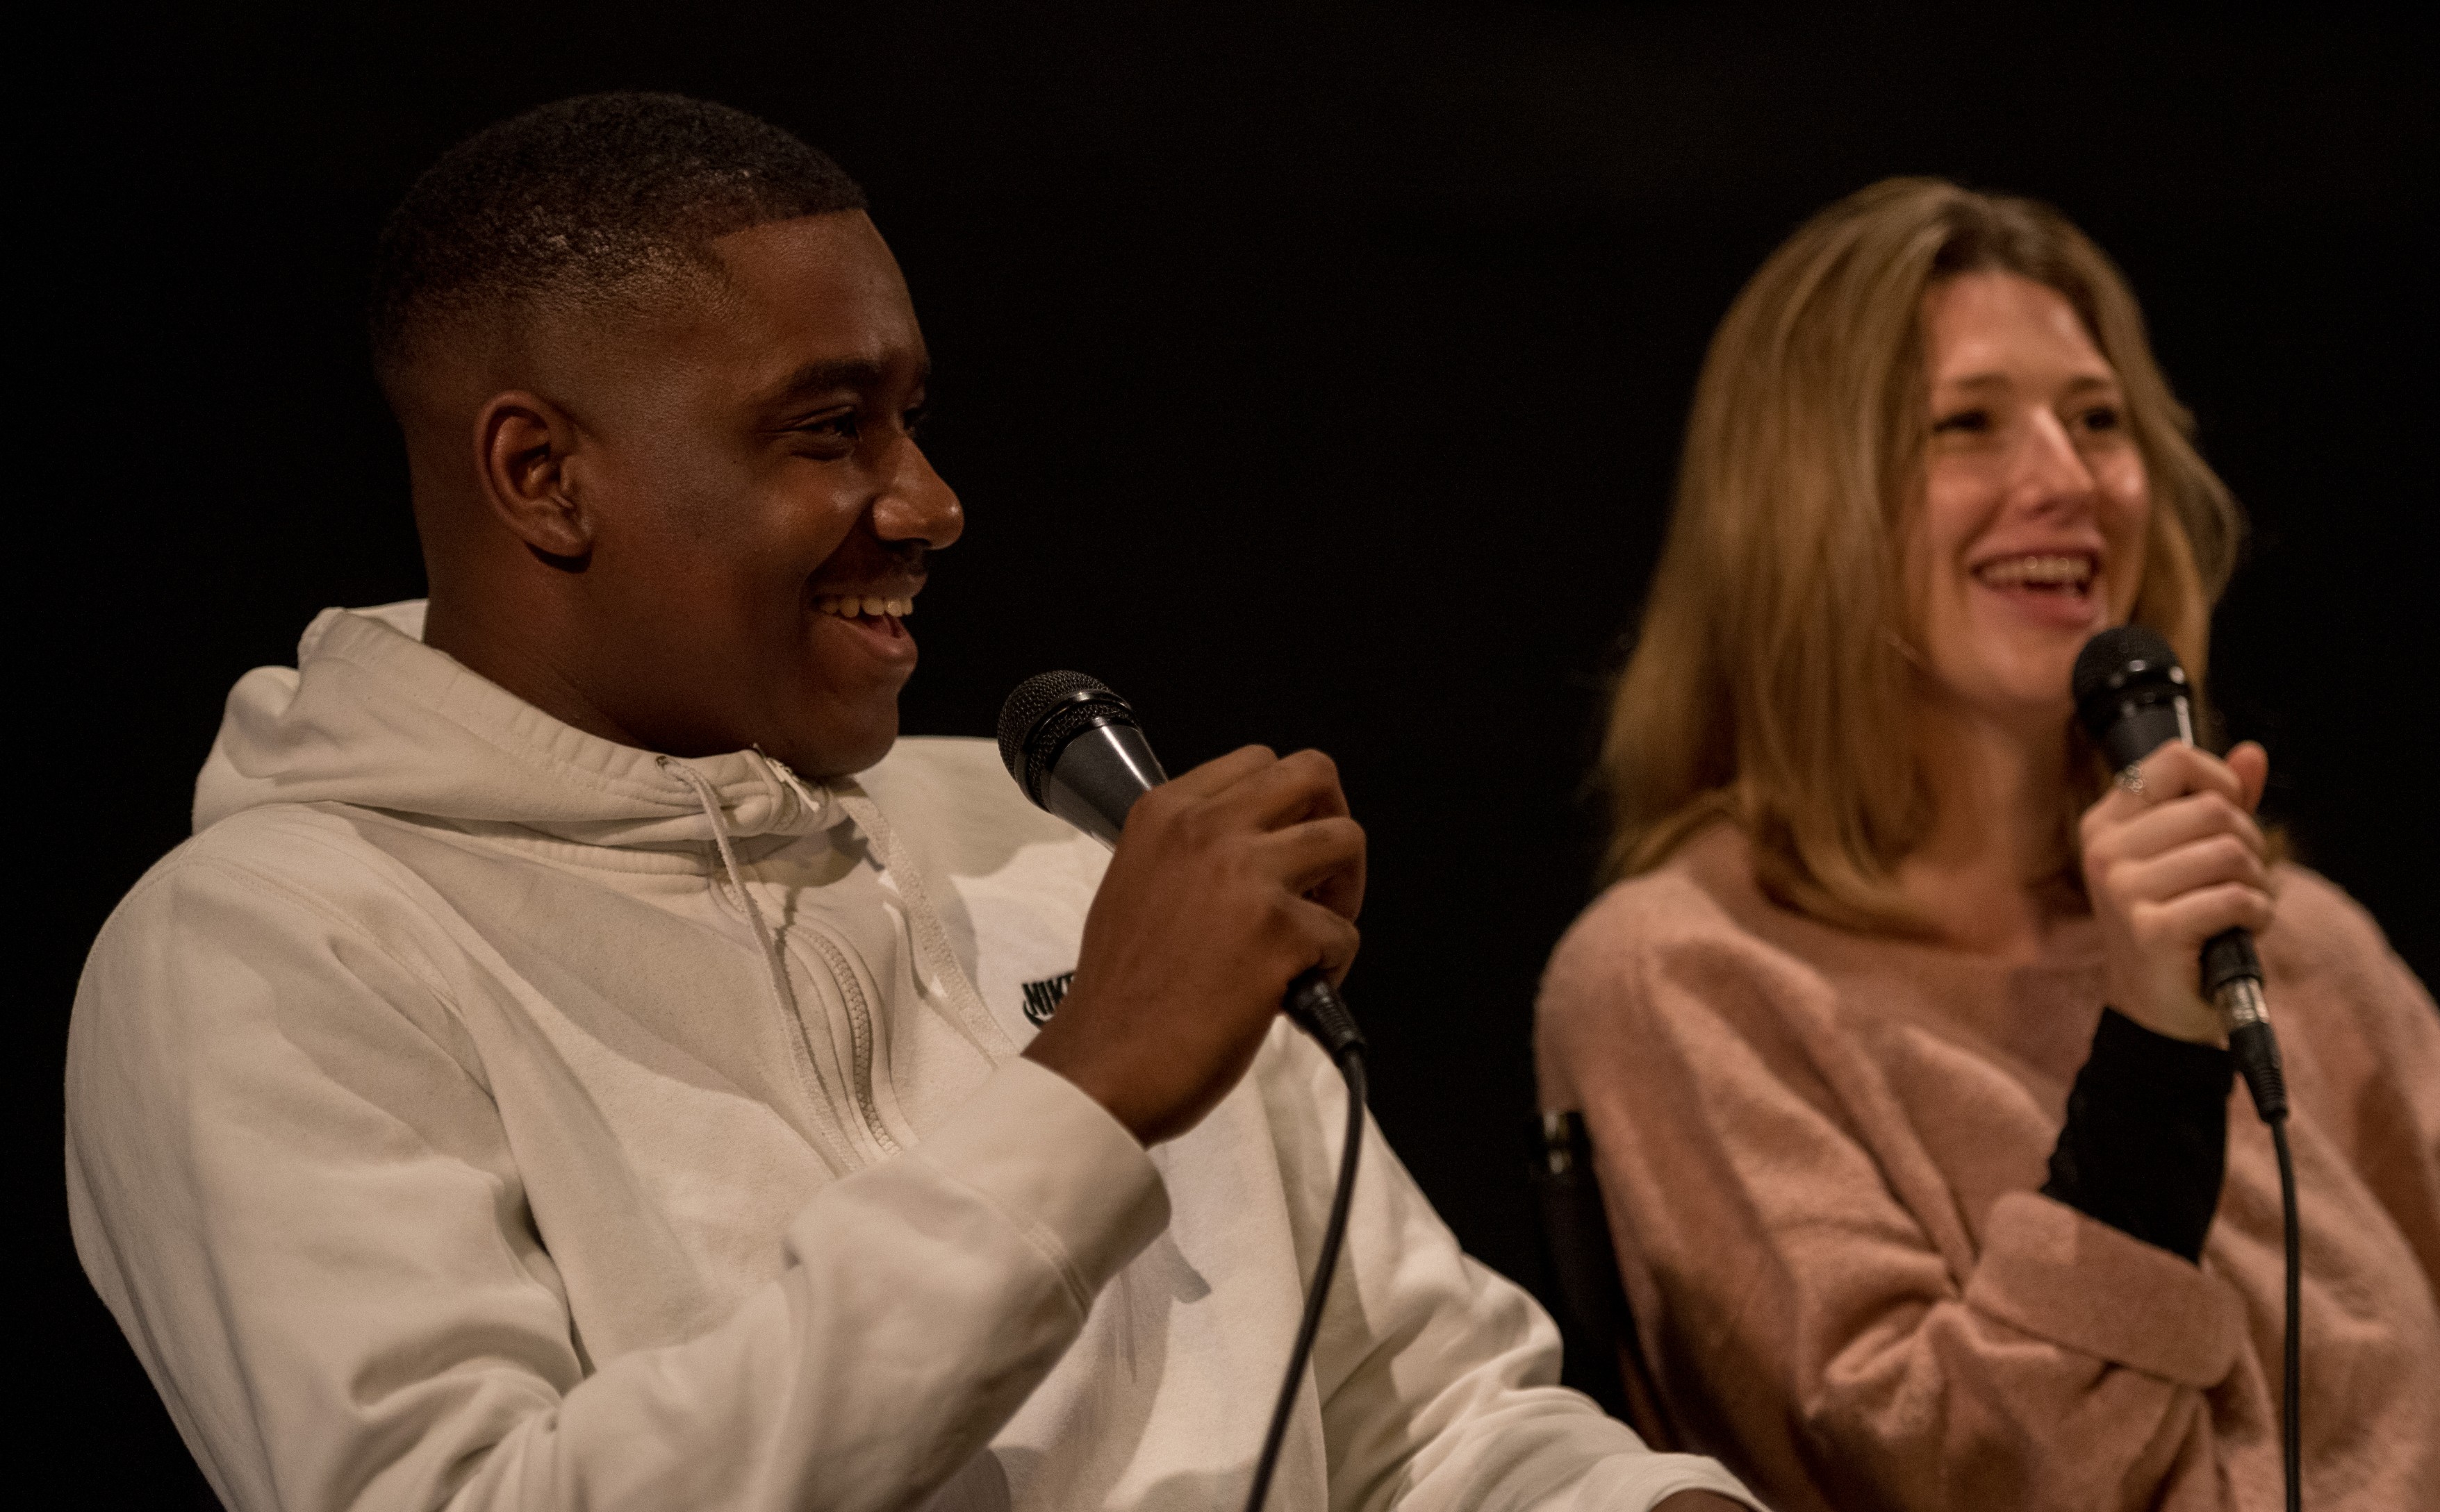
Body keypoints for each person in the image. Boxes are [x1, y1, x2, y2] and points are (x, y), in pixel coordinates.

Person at [65, 93, 1754, 1512]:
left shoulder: (1050, 856)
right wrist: (1088, 1093)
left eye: (913, 419)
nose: (931, 505)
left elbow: (1443, 1432)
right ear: (543, 476)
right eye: (828, 431)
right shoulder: (272, 950)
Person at [1535, 178, 2440, 1511]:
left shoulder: (2301, 942)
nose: (2067, 480)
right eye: (1966, 425)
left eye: (2098, 420)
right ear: (1797, 503)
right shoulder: (1684, 976)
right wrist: (2151, 1064)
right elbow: (1941, 1473)